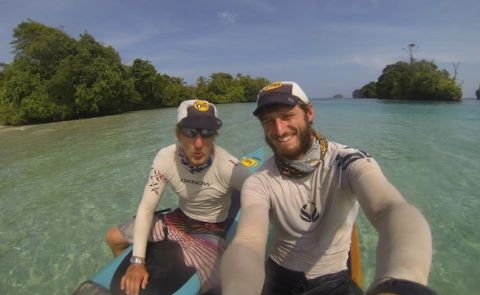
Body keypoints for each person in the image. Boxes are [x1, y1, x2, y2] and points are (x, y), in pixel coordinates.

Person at [221, 81, 434, 295]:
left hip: (333, 280)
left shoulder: (347, 161)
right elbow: (248, 241)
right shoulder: (259, 181)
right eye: (268, 121)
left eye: (287, 116)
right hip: (278, 275)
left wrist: (400, 282)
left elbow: (389, 209)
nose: (279, 129)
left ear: (309, 113)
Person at [105, 99, 250, 295]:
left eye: (206, 133)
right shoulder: (165, 159)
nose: (198, 143)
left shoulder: (229, 168)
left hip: (209, 230)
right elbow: (146, 209)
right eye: (190, 132)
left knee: (219, 287)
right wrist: (137, 261)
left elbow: (265, 198)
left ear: (215, 135)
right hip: (177, 219)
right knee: (113, 237)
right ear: (177, 134)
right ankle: (120, 275)